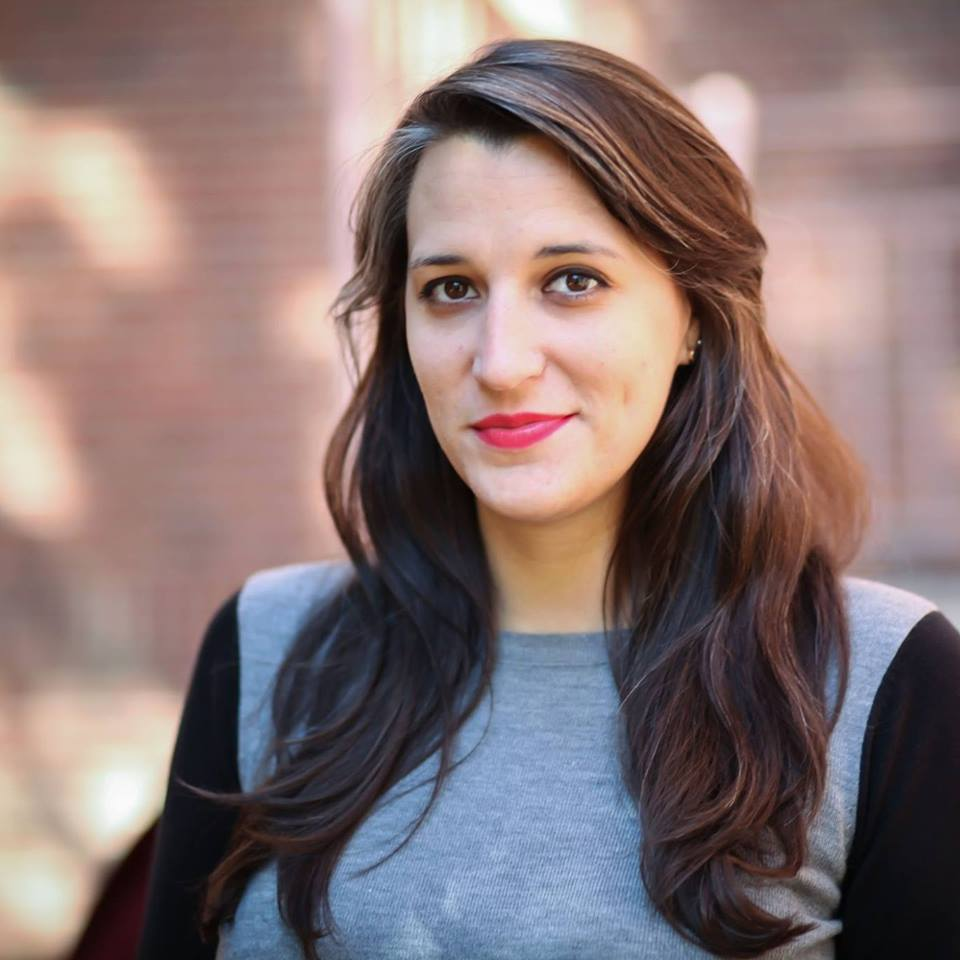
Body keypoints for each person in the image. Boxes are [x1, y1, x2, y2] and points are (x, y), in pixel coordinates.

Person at [137, 37, 960, 960]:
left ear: (693, 311)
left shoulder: (883, 682)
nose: (500, 361)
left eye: (572, 281)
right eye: (450, 289)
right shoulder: (265, 650)